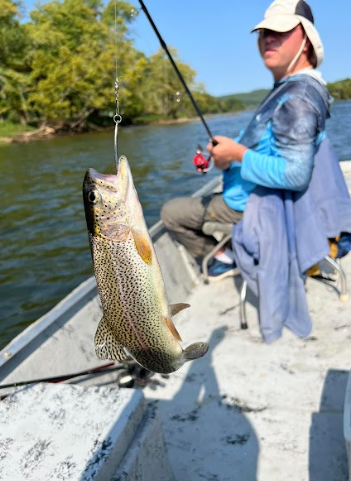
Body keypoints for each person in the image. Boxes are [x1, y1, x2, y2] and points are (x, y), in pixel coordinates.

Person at [161, 0, 331, 280]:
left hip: (250, 206)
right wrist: (228, 154)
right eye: (264, 32)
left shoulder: (296, 99)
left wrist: (238, 154)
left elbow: (296, 174)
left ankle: (225, 258)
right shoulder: (292, 90)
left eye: (282, 30)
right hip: (257, 198)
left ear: (307, 41)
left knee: (171, 212)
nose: (268, 38)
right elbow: (272, 146)